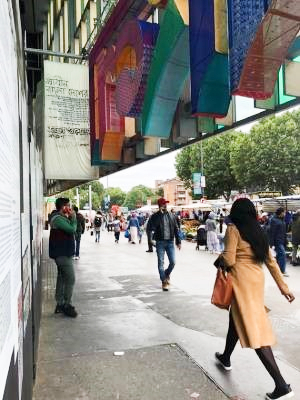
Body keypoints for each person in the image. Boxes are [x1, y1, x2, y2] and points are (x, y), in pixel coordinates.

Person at [214, 198, 295, 400]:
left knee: (252, 330)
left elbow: (230, 258)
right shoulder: (259, 231)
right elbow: (271, 261)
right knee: (237, 319)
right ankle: (225, 357)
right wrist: (283, 287)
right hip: (256, 280)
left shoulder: (233, 229)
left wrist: (219, 261)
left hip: (241, 281)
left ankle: (281, 386)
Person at [49, 197, 78, 318]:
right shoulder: (58, 219)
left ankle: (60, 303)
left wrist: (71, 218)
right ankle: (67, 304)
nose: (70, 208)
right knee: (70, 279)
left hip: (63, 253)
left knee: (62, 278)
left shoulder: (61, 218)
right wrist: (74, 218)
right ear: (63, 207)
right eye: (68, 205)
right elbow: (72, 229)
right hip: (62, 255)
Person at [150, 198, 181, 291]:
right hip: (160, 242)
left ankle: (166, 274)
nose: (165, 205)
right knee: (161, 263)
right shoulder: (155, 216)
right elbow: (153, 226)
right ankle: (164, 281)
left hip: (170, 242)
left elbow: (176, 229)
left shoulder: (172, 215)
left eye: (166, 204)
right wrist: (160, 213)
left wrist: (178, 241)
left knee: (173, 262)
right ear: (160, 206)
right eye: (163, 204)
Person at [269, 207, 289, 276]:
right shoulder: (274, 220)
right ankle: (281, 271)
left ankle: (277, 271)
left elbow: (284, 232)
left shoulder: (282, 220)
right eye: (284, 212)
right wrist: (271, 244)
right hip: (277, 241)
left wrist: (285, 240)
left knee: (279, 256)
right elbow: (272, 232)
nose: (285, 214)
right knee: (282, 255)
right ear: (281, 213)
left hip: (282, 241)